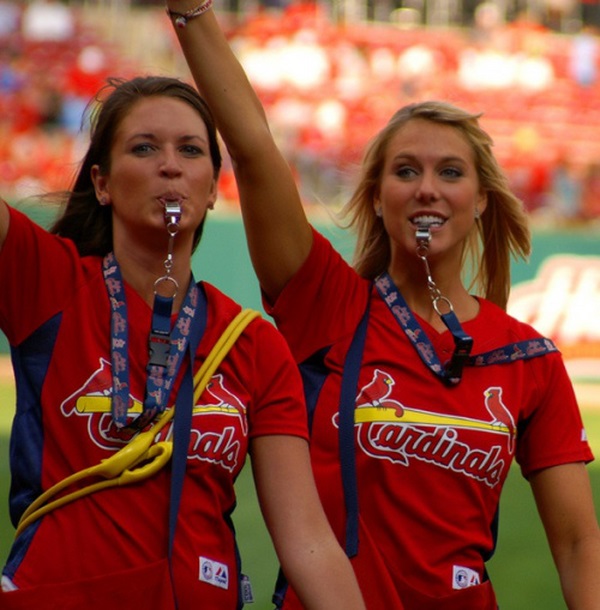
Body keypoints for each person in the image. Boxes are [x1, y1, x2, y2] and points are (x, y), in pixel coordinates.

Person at [165, 2, 600, 609]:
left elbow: (580, 542)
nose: (427, 187)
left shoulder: (528, 357)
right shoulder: (328, 304)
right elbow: (254, 149)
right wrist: (192, 12)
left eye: (450, 171)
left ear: (479, 200)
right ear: (376, 197)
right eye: (405, 171)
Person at [0, 75, 367, 610]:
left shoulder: (253, 344)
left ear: (214, 187)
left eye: (190, 150)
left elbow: (307, 541)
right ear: (102, 183)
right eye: (144, 147)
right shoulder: (48, 283)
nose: (169, 164)